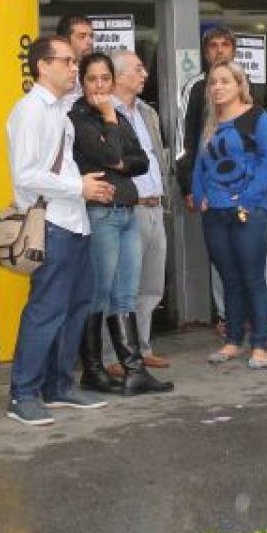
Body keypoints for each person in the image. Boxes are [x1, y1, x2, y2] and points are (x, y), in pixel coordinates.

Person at [5, 35, 117, 427]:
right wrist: (78, 187)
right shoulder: (30, 111)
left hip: (73, 222)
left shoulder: (59, 111)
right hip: (51, 223)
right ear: (43, 66)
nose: (75, 68)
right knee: (46, 310)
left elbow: (60, 167)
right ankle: (23, 394)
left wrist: (84, 186)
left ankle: (58, 385)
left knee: (75, 307)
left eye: (74, 61)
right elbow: (25, 174)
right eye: (67, 61)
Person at [177, 26, 267, 334]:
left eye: (225, 44)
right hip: (216, 192)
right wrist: (190, 187)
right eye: (213, 45)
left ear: (233, 49)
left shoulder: (244, 86)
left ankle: (265, 315)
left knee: (262, 256)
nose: (219, 50)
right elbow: (188, 142)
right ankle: (228, 317)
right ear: (205, 51)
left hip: (250, 194)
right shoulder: (196, 87)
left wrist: (253, 192)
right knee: (224, 262)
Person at [70, 53, 171, 395]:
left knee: (125, 294)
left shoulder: (119, 117)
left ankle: (134, 371)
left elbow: (140, 161)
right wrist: (111, 122)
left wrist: (119, 161)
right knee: (98, 294)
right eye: (92, 79)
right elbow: (111, 155)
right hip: (101, 215)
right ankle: (93, 370)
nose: (99, 85)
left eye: (105, 79)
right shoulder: (79, 118)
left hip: (127, 211)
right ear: (82, 83)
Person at [193, 61, 267, 369]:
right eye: (213, 82)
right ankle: (233, 341)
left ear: (240, 84)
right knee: (229, 279)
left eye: (224, 81)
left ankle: (260, 344)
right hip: (215, 214)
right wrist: (200, 196)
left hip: (249, 211)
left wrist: (247, 197)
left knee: (253, 278)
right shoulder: (211, 120)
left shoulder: (257, 117)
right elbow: (200, 164)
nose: (217, 87)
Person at [110, 49, 173, 371]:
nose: (145, 74)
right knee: (123, 286)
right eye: (138, 69)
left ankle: (143, 347)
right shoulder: (106, 113)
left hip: (154, 207)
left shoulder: (148, 112)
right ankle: (114, 355)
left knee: (151, 285)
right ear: (119, 76)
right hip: (128, 208)